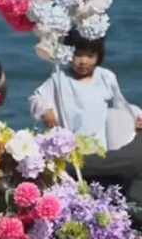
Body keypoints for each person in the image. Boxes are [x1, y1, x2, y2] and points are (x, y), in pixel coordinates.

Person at [29, 29, 142, 206]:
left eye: (90, 56)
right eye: (78, 55)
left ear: (99, 56)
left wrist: (136, 116)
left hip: (101, 150)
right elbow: (37, 98)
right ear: (68, 54)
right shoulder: (59, 79)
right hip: (73, 153)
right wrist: (46, 111)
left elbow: (120, 105)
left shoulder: (105, 77)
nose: (84, 61)